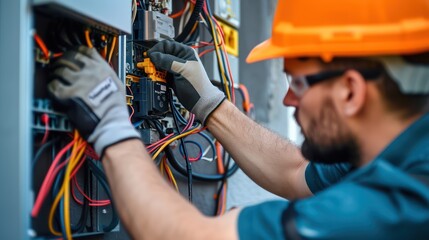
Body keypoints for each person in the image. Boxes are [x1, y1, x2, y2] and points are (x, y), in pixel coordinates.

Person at [48, 0, 429, 239]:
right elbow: (297, 171)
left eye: (297, 82)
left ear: (351, 91)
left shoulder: (402, 204)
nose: (286, 98)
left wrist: (113, 127)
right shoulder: (401, 151)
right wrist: (211, 104)